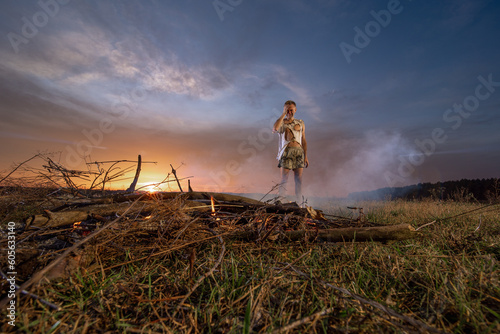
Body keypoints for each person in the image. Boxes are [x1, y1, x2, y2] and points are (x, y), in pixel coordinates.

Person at [273, 100, 309, 203]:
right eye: (287, 110)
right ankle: (280, 201)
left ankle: (299, 203)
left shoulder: (300, 123)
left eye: (291, 110)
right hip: (286, 151)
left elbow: (304, 140)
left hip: (298, 152)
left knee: (299, 179)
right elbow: (275, 128)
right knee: (284, 178)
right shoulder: (281, 122)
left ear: (295, 110)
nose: (289, 112)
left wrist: (305, 156)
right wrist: (283, 114)